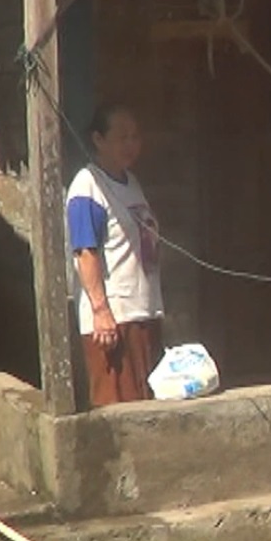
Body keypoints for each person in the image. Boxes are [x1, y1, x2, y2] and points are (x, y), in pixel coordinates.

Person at [66, 103, 165, 407]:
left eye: (135, 136)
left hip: (143, 312)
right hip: (115, 321)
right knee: (120, 408)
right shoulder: (89, 186)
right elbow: (85, 252)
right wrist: (101, 312)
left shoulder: (131, 183)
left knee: (146, 404)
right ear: (98, 139)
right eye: (122, 137)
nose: (131, 144)